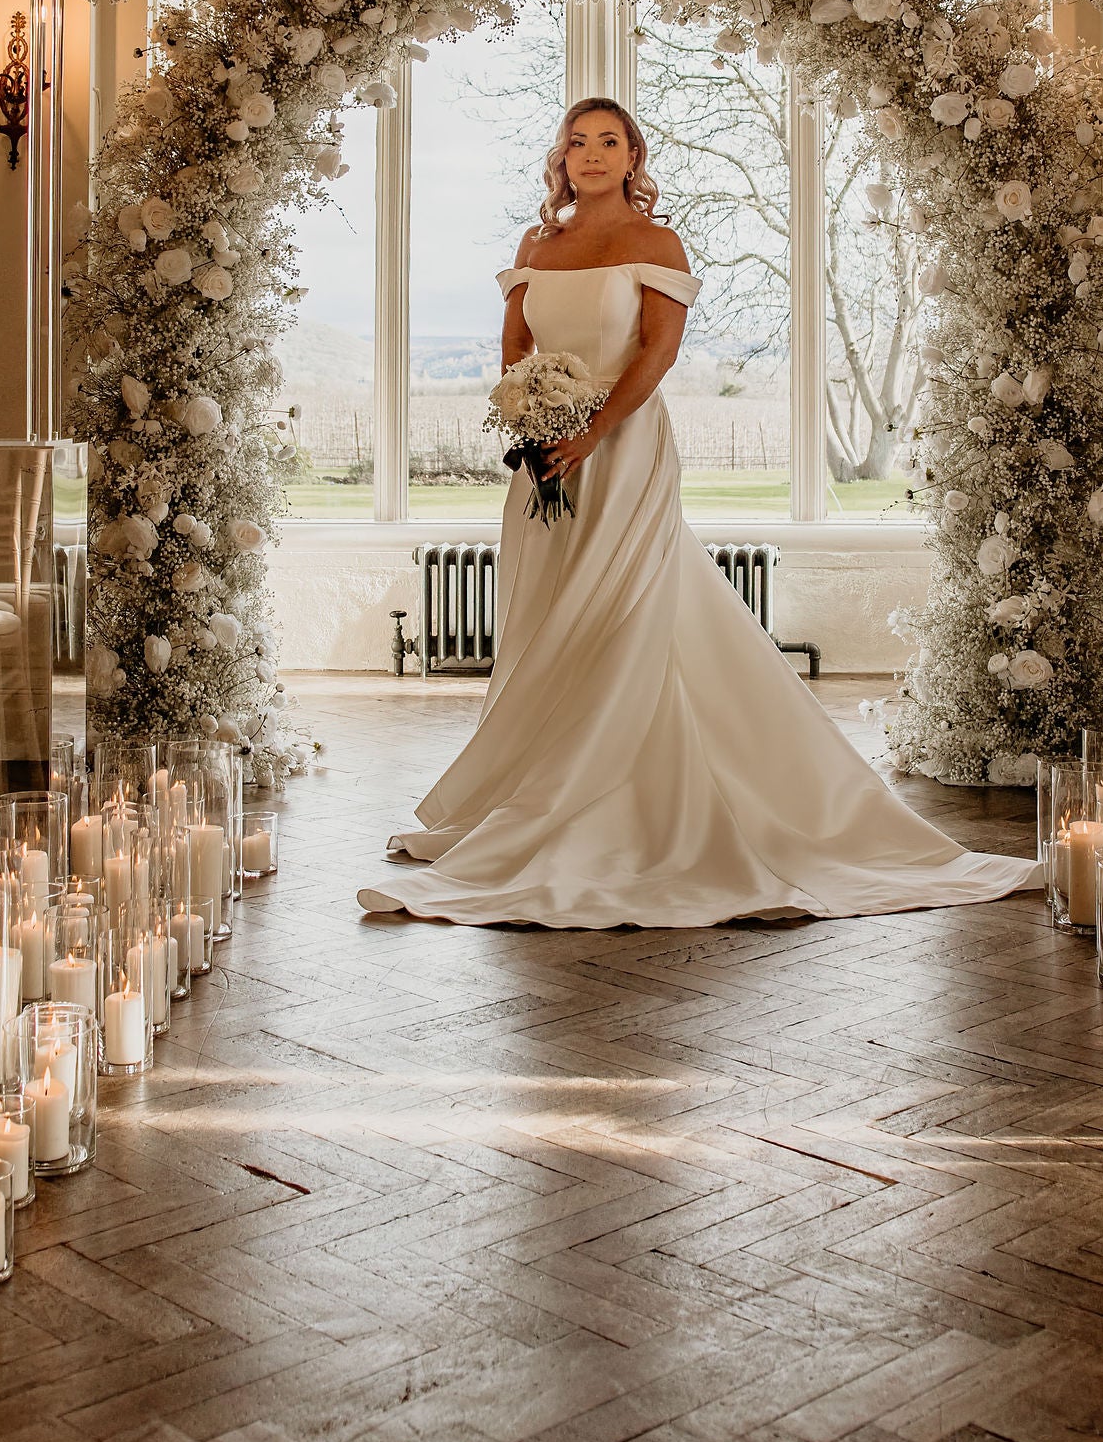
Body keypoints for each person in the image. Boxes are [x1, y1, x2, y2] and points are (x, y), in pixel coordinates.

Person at [358, 98, 1041, 927]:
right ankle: (545, 783)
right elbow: (515, 346)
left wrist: (594, 429)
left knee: (621, 610)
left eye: (609, 141)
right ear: (561, 157)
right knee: (547, 614)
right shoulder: (538, 243)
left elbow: (659, 351)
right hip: (544, 457)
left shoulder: (656, 243)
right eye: (578, 142)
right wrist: (536, 421)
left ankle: (630, 799)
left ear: (633, 154)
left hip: (624, 451)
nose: (592, 155)